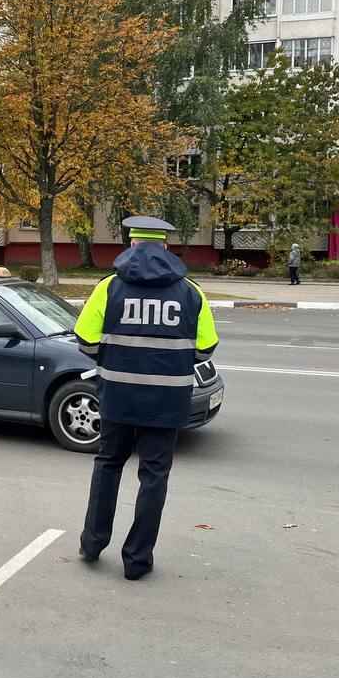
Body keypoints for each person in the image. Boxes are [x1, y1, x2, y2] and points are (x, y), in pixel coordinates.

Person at [74, 216, 220, 581]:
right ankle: (137, 561)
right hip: (167, 403)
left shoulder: (108, 287)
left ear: (132, 244)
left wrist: (115, 359)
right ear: (166, 247)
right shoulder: (191, 292)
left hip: (117, 397)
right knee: (154, 476)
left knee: (108, 465)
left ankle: (92, 543)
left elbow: (86, 341)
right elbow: (205, 349)